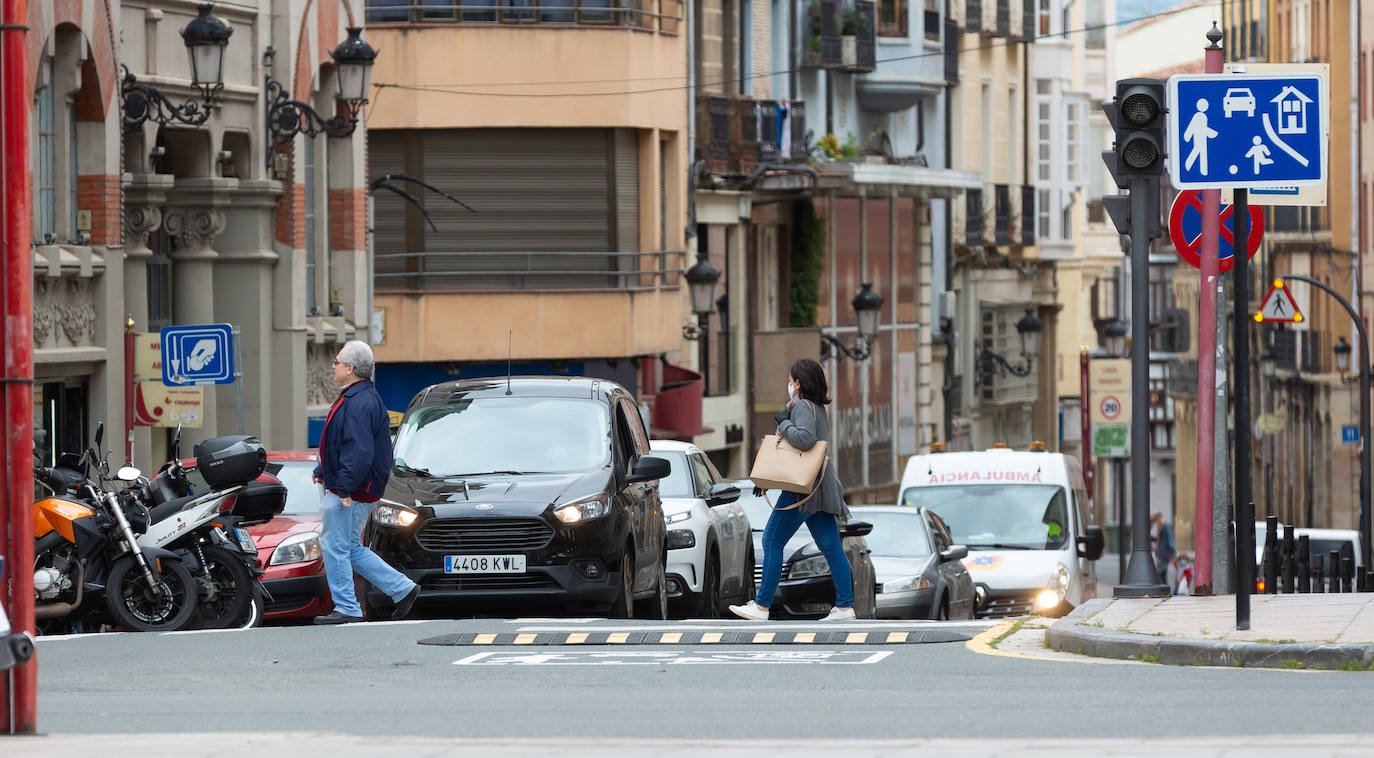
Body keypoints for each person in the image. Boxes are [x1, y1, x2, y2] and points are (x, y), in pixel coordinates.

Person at [729, 358, 854, 622]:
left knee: (771, 542)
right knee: (831, 546)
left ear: (798, 383)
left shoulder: (801, 407)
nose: (788, 385)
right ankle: (844, 607)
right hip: (819, 486)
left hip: (802, 491)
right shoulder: (818, 407)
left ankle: (762, 606)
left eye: (790, 381)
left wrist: (784, 422)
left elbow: (804, 439)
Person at [312, 340, 420, 625]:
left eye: (337, 362)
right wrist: (324, 470)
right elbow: (345, 446)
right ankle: (402, 589)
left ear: (350, 368)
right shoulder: (360, 397)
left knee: (334, 545)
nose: (333, 366)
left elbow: (358, 451)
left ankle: (347, 607)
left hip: (351, 489)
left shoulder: (358, 401)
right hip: (356, 486)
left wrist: (343, 487)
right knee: (349, 546)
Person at [1151, 511, 1176, 588]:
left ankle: (1159, 590)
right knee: (1163, 574)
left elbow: (1170, 539)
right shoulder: (1161, 526)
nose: (1155, 522)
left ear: (1158, 518)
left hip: (1165, 554)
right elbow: (1160, 540)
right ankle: (1165, 590)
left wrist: (1172, 554)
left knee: (1158, 573)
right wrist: (1152, 538)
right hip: (1161, 553)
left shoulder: (1166, 525)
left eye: (1155, 520)